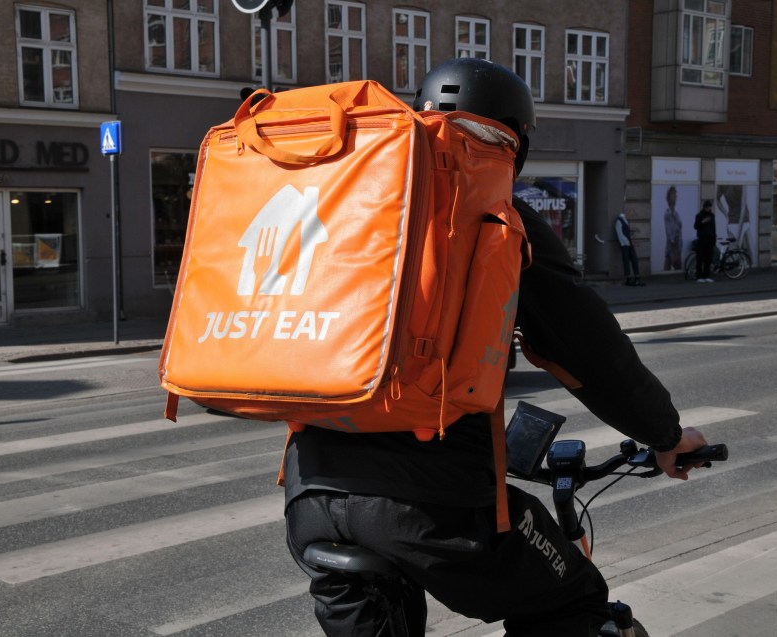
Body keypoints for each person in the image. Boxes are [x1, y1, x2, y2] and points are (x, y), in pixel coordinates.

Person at [283, 58, 708, 637]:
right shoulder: (495, 214)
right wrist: (665, 435)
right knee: (572, 602)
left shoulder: (351, 204)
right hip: (435, 507)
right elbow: (588, 349)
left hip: (310, 498)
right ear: (515, 139)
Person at [615, 210, 645, 286]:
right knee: (626, 260)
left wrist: (633, 232)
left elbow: (626, 231)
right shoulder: (619, 220)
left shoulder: (625, 220)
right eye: (631, 213)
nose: (632, 214)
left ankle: (637, 278)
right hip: (625, 243)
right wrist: (624, 242)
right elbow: (619, 233)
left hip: (629, 242)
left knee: (634, 259)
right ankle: (628, 278)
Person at [694, 199, 717, 283]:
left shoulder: (712, 216)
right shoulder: (699, 215)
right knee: (700, 258)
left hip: (710, 239)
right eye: (707, 207)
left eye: (709, 207)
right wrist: (703, 222)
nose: (708, 208)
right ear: (704, 207)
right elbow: (696, 226)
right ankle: (699, 276)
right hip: (702, 239)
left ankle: (706, 276)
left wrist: (714, 239)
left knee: (708, 258)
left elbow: (714, 228)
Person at [663, 186, 683, 271]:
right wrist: (675, 250)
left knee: (669, 265)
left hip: (677, 245)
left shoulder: (676, 213)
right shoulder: (668, 214)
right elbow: (669, 233)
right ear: (669, 197)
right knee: (676, 266)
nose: (675, 196)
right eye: (673, 194)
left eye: (676, 194)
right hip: (673, 246)